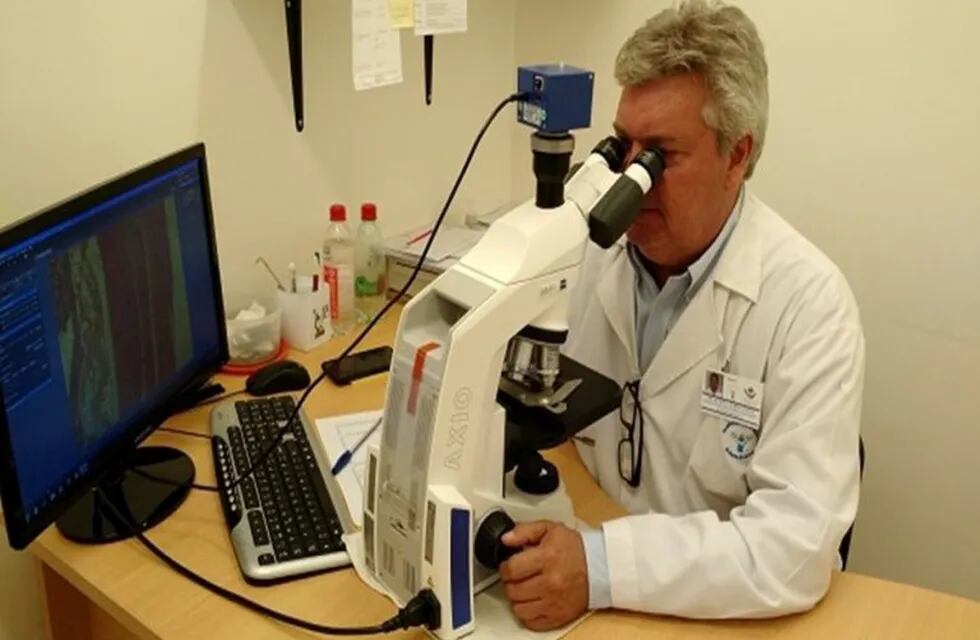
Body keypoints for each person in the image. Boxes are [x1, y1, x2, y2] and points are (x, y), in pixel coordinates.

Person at [498, 0, 865, 630]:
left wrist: (602, 567)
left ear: (737, 155)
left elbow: (794, 550)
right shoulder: (583, 255)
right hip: (587, 565)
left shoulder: (810, 306)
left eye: (660, 157)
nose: (630, 185)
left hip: (719, 611)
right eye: (624, 148)